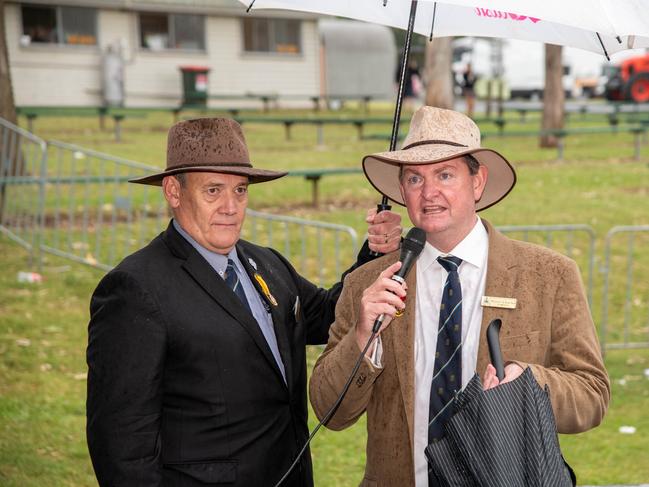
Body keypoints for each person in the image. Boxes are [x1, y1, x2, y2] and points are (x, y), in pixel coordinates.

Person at [86, 117, 402, 487]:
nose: (231, 207)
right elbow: (121, 445)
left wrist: (373, 255)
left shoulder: (266, 263)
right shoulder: (135, 289)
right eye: (213, 191)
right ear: (173, 191)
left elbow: (327, 314)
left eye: (240, 190)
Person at [309, 106, 610, 487]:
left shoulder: (549, 276)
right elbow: (329, 412)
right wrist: (361, 341)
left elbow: (592, 394)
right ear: (401, 190)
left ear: (478, 182)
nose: (429, 193)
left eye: (445, 175)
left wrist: (528, 384)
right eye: (415, 179)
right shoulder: (368, 284)